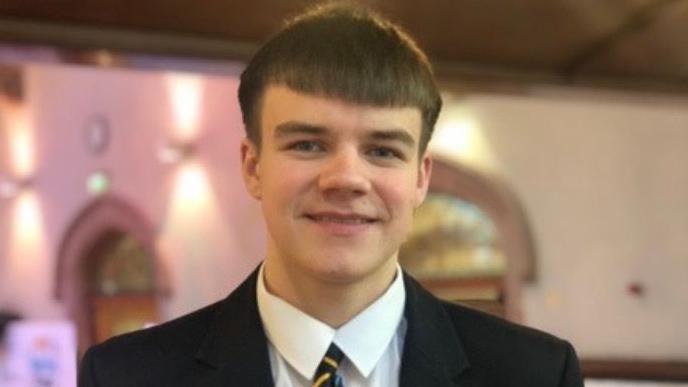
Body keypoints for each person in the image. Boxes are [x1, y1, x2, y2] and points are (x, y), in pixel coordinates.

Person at [79, 3, 583, 386]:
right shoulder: (127, 375)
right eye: (308, 144)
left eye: (383, 151)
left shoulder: (534, 374)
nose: (346, 178)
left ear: (420, 179)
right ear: (253, 167)